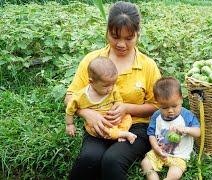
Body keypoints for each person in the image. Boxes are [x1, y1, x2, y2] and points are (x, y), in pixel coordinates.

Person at [64, 1, 161, 179]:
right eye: (115, 37)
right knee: (89, 158)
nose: (121, 44)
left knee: (112, 160)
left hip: (136, 127)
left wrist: (126, 108)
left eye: (129, 38)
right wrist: (87, 114)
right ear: (107, 30)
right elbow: (70, 96)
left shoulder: (147, 65)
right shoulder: (93, 61)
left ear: (138, 33)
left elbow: (157, 105)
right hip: (100, 124)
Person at [65, 57, 137, 144]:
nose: (110, 88)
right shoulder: (80, 96)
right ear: (91, 82)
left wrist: (117, 109)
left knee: (127, 117)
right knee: (100, 130)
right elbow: (70, 110)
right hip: (97, 123)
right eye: (106, 86)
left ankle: (121, 131)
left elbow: (118, 100)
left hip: (112, 118)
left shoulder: (113, 89)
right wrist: (70, 124)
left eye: (113, 84)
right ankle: (120, 134)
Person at [141, 77, 200, 180]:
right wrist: (156, 148)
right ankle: (152, 177)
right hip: (160, 152)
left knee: (175, 172)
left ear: (181, 99)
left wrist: (186, 129)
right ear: (157, 103)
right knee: (145, 163)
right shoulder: (156, 116)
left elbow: (198, 132)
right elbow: (151, 134)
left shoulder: (186, 115)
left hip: (179, 156)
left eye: (174, 106)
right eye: (164, 107)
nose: (170, 111)